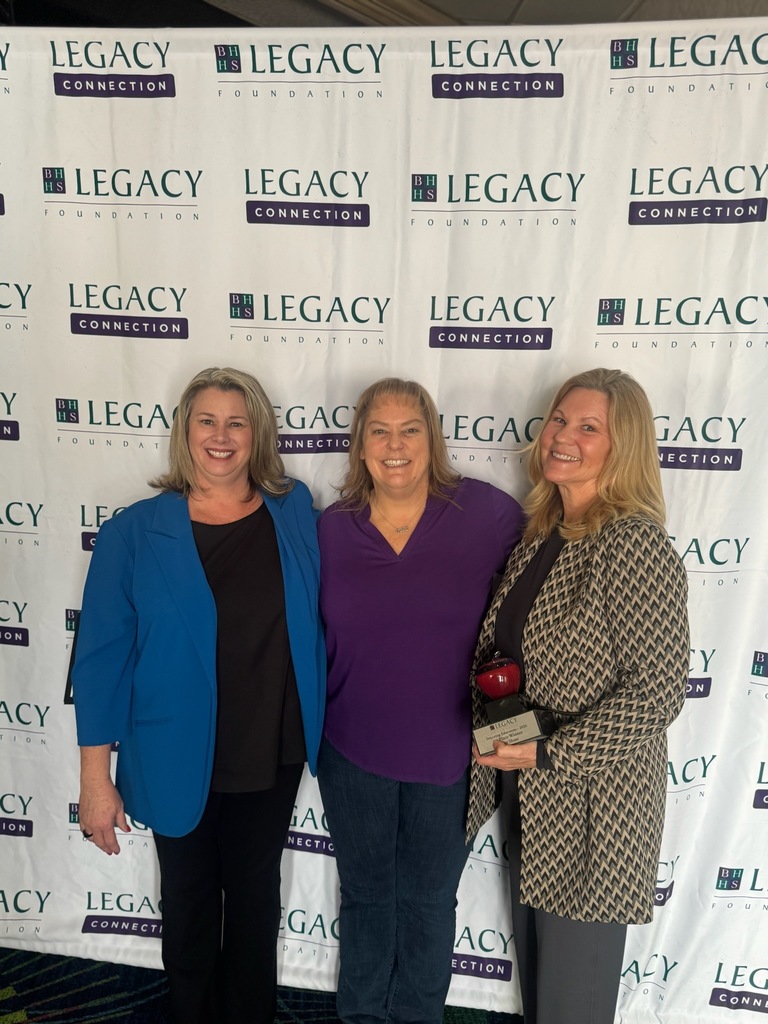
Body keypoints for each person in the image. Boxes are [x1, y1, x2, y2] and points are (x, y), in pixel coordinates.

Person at [72, 366, 325, 1024]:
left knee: (254, 907)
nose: (221, 435)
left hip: (270, 749)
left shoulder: (293, 510)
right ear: (185, 432)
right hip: (173, 751)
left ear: (257, 434)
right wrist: (95, 779)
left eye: (237, 422)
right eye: (206, 420)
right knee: (187, 909)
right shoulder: (133, 533)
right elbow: (99, 661)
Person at [469, 367, 689, 1024]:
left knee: (572, 1002)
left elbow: (656, 694)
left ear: (623, 447)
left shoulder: (633, 542)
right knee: (541, 996)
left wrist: (547, 754)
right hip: (532, 799)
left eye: (588, 427)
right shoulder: (543, 535)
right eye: (560, 420)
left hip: (597, 812)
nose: (563, 436)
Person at [316, 377, 524, 1024]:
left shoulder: (488, 515)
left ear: (432, 439)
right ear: (360, 445)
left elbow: (531, 618)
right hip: (350, 749)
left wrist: (516, 728)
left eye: (411, 429)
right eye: (379, 431)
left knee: (430, 904)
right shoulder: (329, 531)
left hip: (454, 754)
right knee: (366, 897)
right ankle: (360, 1016)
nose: (395, 445)